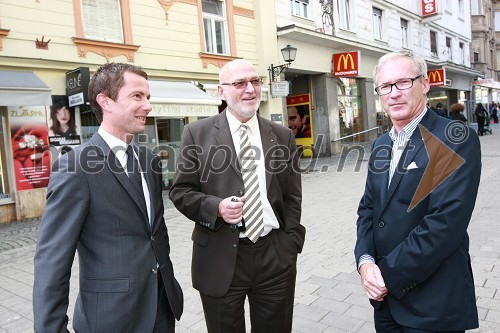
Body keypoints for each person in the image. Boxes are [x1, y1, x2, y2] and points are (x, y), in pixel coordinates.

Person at [33, 63, 183, 332]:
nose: (148, 106)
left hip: (162, 308)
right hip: (112, 318)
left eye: (148, 97)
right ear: (105, 101)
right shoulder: (75, 167)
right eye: (137, 96)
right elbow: (52, 261)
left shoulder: (149, 161)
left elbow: (155, 233)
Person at [169, 59, 305, 333]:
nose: (250, 89)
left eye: (255, 81)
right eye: (240, 83)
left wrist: (290, 244)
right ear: (221, 91)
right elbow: (180, 191)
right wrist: (215, 207)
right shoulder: (197, 133)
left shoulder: (281, 135)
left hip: (274, 256)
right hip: (219, 257)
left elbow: (292, 196)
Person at [354, 50, 481, 332]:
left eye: (403, 82)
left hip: (433, 305)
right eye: (385, 86)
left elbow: (444, 226)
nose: (394, 93)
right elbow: (368, 210)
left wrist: (384, 276)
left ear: (424, 84)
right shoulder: (381, 145)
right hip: (386, 306)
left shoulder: (454, 139)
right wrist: (364, 262)